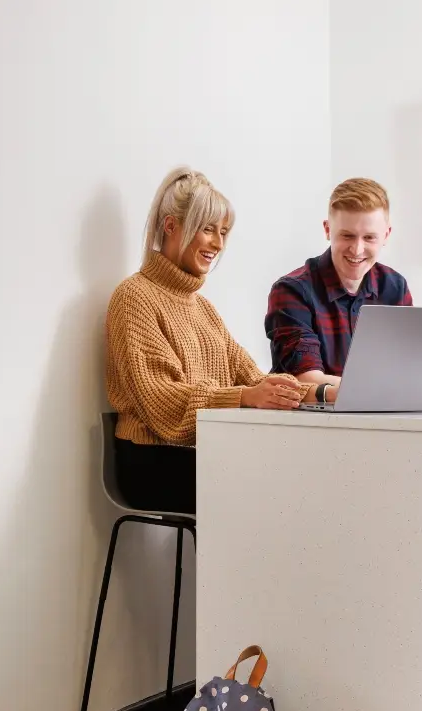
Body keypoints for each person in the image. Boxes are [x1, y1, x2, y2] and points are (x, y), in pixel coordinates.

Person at [105, 167, 334, 514]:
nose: (218, 243)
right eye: (208, 229)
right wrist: (244, 397)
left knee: (308, 472)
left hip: (203, 452)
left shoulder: (204, 310)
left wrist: (324, 393)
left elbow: (256, 380)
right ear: (171, 226)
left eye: (223, 232)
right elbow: (161, 401)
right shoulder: (134, 297)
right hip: (149, 459)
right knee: (283, 488)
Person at [264, 178, 411, 386]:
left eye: (369, 238)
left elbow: (407, 366)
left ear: (386, 235)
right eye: (347, 236)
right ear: (327, 230)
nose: (357, 249)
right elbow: (306, 380)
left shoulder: (395, 287)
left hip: (382, 415)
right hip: (310, 418)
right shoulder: (291, 291)